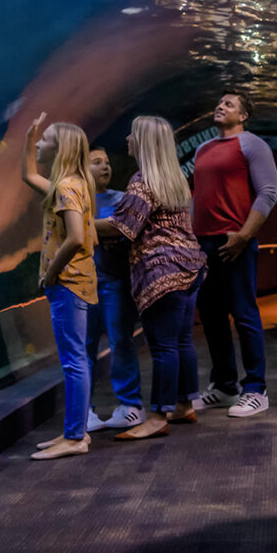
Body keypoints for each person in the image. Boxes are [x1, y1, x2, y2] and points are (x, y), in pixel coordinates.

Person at [95, 116, 206, 440]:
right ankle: (184, 405)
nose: (127, 138)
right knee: (182, 341)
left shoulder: (142, 181)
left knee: (162, 347)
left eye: (133, 134)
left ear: (143, 141)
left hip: (162, 273)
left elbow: (123, 227)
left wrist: (79, 223)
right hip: (190, 267)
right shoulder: (175, 178)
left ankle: (157, 417)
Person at [191, 93, 277, 418]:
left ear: (243, 116)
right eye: (219, 102)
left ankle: (256, 389)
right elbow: (197, 198)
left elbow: (268, 193)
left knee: (244, 314)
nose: (220, 106)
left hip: (235, 240)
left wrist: (244, 236)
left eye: (229, 104)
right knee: (212, 317)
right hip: (203, 243)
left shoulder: (253, 145)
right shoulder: (202, 149)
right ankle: (225, 384)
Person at [22, 113, 98, 460]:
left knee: (73, 361)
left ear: (61, 147)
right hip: (76, 281)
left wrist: (51, 273)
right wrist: (28, 138)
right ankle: (74, 431)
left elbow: (77, 237)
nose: (40, 143)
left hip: (68, 283)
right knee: (76, 358)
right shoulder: (72, 184)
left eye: (44, 139)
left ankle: (75, 437)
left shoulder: (66, 187)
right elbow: (28, 175)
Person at [85, 147, 145, 431]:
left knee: (121, 341)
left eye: (107, 162)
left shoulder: (122, 199)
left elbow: (123, 229)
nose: (105, 167)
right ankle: (84, 409)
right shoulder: (75, 198)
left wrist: (84, 226)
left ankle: (130, 405)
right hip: (83, 285)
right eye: (96, 162)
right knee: (84, 347)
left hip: (116, 282)